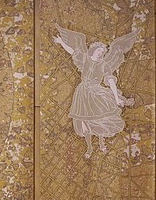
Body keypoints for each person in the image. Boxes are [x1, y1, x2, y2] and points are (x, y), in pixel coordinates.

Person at [51, 24, 140, 158]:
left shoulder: (104, 65)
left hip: (97, 92)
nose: (101, 53)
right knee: (84, 121)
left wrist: (116, 98)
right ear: (93, 50)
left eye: (102, 51)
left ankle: (101, 142)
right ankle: (89, 148)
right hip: (82, 92)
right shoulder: (85, 58)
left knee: (99, 119)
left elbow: (110, 81)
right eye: (99, 50)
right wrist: (61, 41)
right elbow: (72, 52)